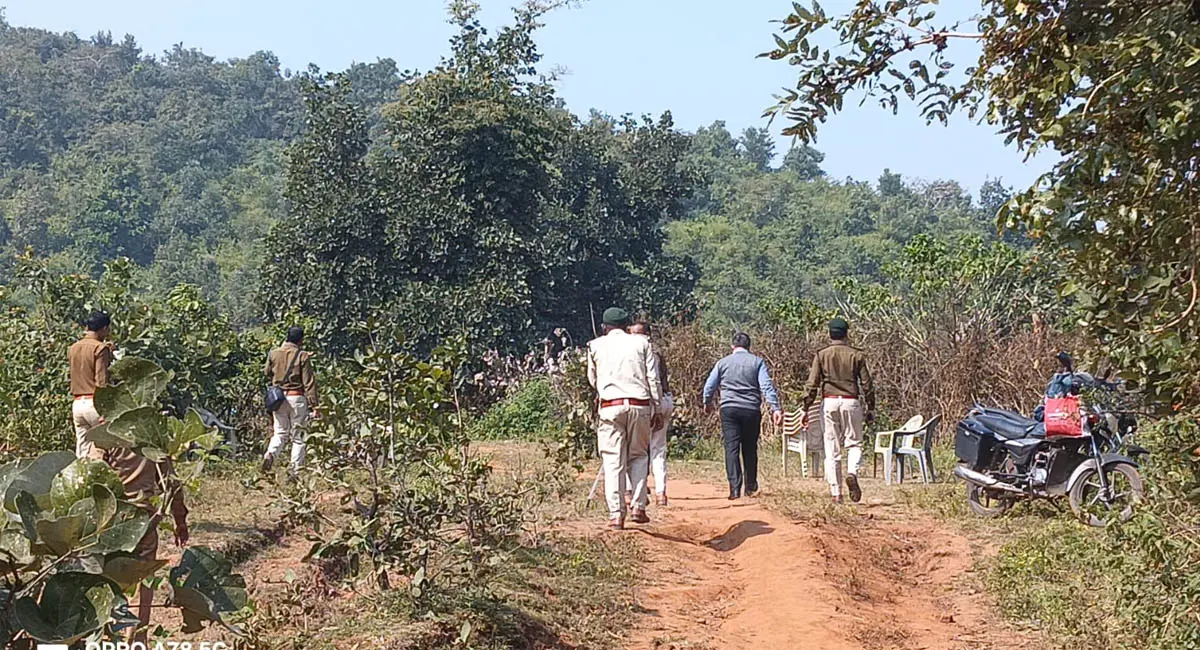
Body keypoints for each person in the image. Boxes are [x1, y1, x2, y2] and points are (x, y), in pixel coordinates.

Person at [102, 447, 189, 643]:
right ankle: (136, 642)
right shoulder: (151, 438)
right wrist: (180, 520)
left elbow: (90, 474)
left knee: (106, 582)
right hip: (143, 521)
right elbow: (170, 482)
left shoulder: (105, 437)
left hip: (109, 522)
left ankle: (108, 640)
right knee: (141, 585)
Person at [587, 307, 663, 530]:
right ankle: (638, 506)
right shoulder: (642, 343)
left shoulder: (595, 346)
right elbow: (653, 378)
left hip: (610, 406)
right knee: (639, 455)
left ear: (604, 327)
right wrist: (657, 407)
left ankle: (616, 515)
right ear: (627, 326)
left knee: (613, 461)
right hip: (640, 405)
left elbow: (593, 379)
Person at [801, 317, 876, 504]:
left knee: (831, 447)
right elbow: (867, 384)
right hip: (851, 402)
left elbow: (812, 384)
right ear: (846, 334)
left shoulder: (821, 355)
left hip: (829, 402)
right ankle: (852, 472)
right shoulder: (857, 355)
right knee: (855, 443)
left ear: (830, 334)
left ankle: (836, 493)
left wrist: (805, 407)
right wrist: (870, 407)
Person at [702, 332, 783, 500]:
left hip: (729, 408)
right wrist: (775, 408)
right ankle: (751, 487)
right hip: (751, 409)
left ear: (733, 346)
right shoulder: (757, 362)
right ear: (749, 346)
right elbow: (766, 385)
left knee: (731, 448)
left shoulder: (722, 363)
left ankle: (734, 489)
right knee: (749, 448)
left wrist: (707, 402)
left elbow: (710, 384)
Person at [262, 326, 319, 474]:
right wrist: (314, 405)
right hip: (297, 397)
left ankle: (270, 454)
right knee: (298, 437)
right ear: (301, 340)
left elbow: (267, 372)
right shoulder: (302, 355)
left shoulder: (273, 353)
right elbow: (309, 382)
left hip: (279, 398)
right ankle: (294, 472)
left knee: (280, 433)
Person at [630, 321, 673, 506]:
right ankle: (661, 493)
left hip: (643, 402)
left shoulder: (634, 352)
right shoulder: (657, 352)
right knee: (658, 449)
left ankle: (634, 490)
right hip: (662, 400)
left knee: (635, 450)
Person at [68, 311, 114, 459]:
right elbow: (102, 381)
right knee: (102, 448)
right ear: (104, 329)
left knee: (82, 450)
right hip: (94, 402)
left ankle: (81, 480)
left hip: (77, 404)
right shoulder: (100, 348)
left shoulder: (73, 348)